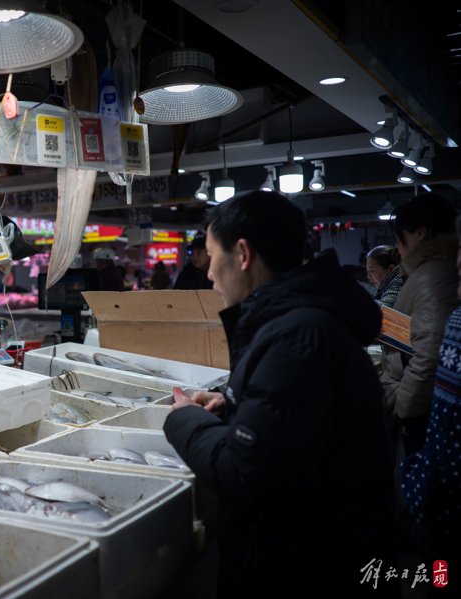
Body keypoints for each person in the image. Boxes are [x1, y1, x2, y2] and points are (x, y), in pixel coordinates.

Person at [162, 191, 395, 597]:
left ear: (243, 254)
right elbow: (295, 434)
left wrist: (184, 419)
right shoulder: (295, 323)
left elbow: (248, 473)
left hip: (304, 572)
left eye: (213, 256)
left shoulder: (298, 336)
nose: (211, 274)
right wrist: (233, 409)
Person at [400, 214, 461, 569]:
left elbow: (445, 435)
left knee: (440, 575)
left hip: (447, 511)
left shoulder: (456, 324)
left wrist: (401, 405)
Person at [380, 193, 459, 458]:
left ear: (420, 234)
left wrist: (404, 408)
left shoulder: (431, 277)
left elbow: (430, 353)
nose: (397, 247)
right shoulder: (431, 272)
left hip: (418, 412)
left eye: (399, 236)